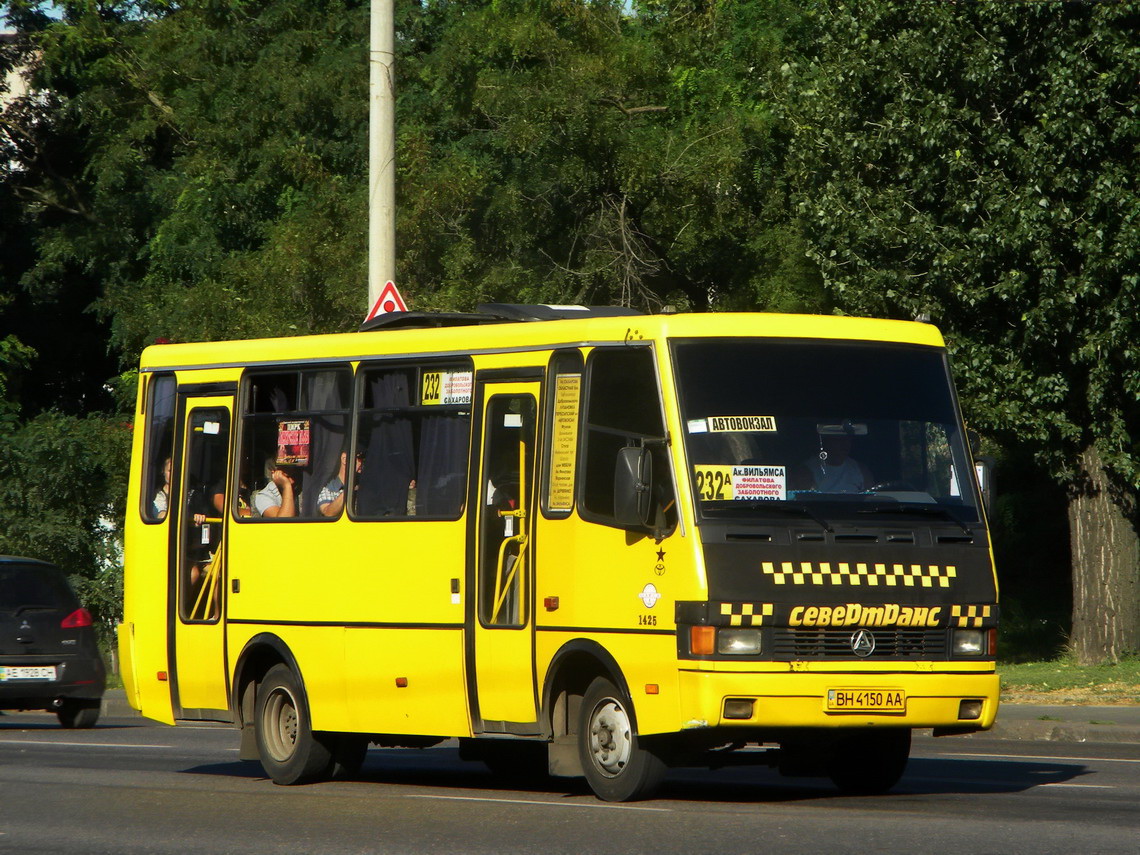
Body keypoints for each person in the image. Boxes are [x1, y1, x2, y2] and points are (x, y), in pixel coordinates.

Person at [801, 426, 873, 493]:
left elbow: (869, 499)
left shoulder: (860, 470)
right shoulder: (806, 471)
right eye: (839, 439)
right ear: (826, 441)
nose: (845, 444)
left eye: (848, 439)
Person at [318, 451, 361, 518]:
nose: (363, 462)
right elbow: (328, 513)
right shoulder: (329, 489)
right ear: (344, 459)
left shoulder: (366, 488)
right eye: (360, 457)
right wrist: (349, 487)